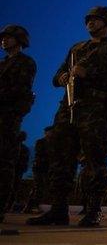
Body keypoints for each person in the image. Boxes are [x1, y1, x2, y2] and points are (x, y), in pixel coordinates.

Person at [27, 6, 107, 227]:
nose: (90, 22)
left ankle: (93, 211)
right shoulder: (77, 49)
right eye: (88, 19)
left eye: (95, 19)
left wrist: (88, 73)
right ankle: (58, 209)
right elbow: (56, 76)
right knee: (60, 159)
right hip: (69, 108)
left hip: (96, 110)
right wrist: (62, 77)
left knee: (95, 160)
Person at [0, 24, 36, 223]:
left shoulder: (25, 63)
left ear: (20, 40)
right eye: (2, 38)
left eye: (9, 37)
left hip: (8, 117)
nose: (4, 40)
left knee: (4, 163)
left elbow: (19, 90)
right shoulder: (2, 64)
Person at [23, 126, 54, 214]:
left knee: (42, 188)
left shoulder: (52, 143)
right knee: (38, 187)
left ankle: (34, 206)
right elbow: (40, 154)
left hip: (46, 168)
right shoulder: (40, 142)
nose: (52, 133)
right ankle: (29, 206)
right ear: (46, 133)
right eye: (50, 132)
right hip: (39, 168)